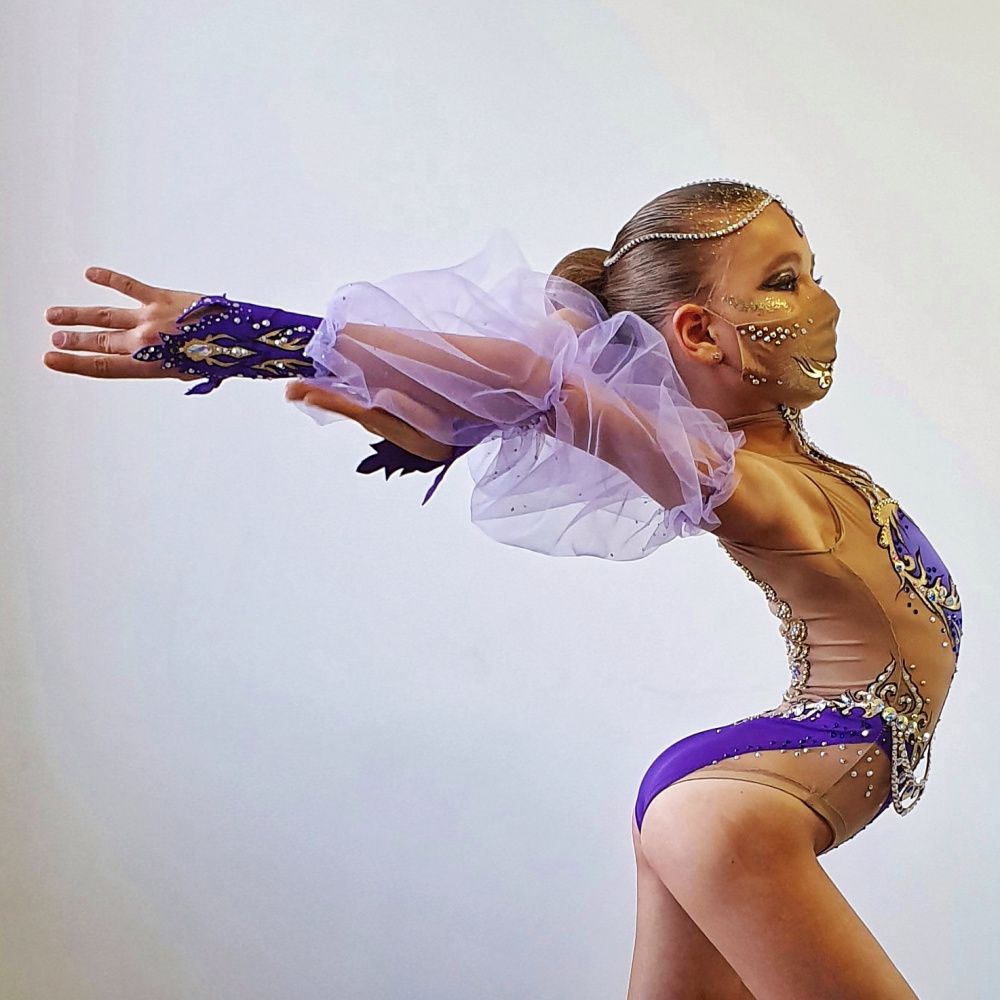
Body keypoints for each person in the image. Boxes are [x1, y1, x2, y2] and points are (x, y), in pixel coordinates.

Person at [42, 179, 958, 999]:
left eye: (813, 274)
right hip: (742, 806)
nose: (826, 302)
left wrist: (461, 410)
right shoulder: (739, 480)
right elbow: (538, 384)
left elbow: (537, 386)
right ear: (698, 332)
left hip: (730, 797)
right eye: (786, 281)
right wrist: (254, 334)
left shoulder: (792, 463)